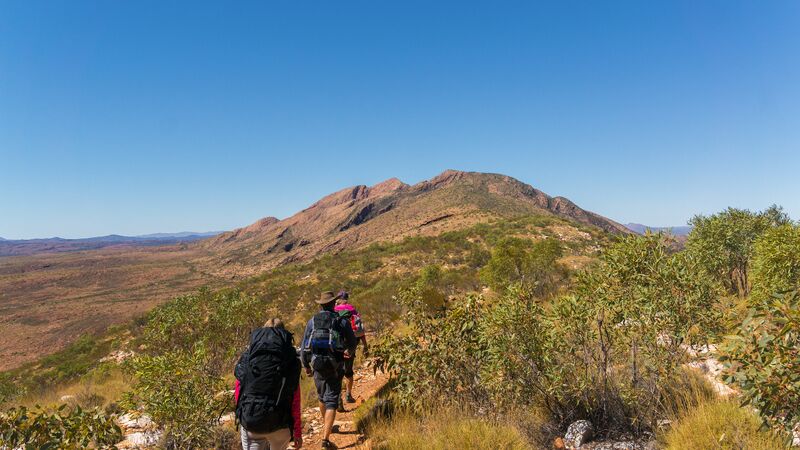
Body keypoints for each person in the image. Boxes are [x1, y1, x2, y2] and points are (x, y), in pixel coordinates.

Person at [300, 291, 357, 450]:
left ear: (320, 305)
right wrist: (349, 352)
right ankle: (325, 440)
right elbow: (352, 341)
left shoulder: (312, 321)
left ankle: (328, 425)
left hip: (316, 364)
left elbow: (304, 346)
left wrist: (306, 365)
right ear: (333, 304)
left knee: (321, 396)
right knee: (332, 399)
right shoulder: (341, 321)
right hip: (335, 365)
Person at [235, 318, 303, 450]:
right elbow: (295, 400)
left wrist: (242, 416)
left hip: (252, 421)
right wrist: (297, 433)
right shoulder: (290, 360)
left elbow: (239, 391)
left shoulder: (249, 357)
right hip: (280, 423)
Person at [333, 291, 368, 408]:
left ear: (338, 299)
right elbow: (361, 330)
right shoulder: (352, 310)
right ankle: (348, 395)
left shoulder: (334, 310)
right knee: (348, 371)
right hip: (350, 345)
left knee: (337, 373)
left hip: (337, 346)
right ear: (347, 298)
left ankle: (338, 400)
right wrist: (365, 346)